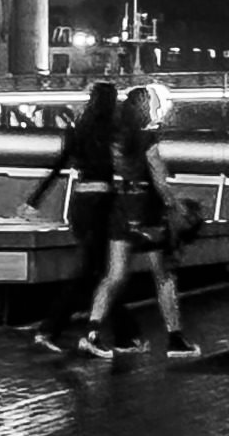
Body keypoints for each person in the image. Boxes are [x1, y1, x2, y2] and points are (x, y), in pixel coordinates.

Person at [82, 84, 201, 363]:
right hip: (147, 212)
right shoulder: (148, 139)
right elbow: (159, 179)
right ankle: (175, 338)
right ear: (143, 109)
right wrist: (176, 206)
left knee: (114, 275)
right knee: (163, 275)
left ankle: (92, 333)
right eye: (150, 105)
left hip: (120, 209)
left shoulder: (115, 140)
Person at [22, 79, 124, 356]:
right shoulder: (112, 131)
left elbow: (58, 165)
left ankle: (127, 334)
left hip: (79, 202)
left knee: (101, 270)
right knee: (95, 271)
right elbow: (121, 167)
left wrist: (34, 200)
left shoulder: (78, 130)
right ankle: (50, 329)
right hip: (102, 202)